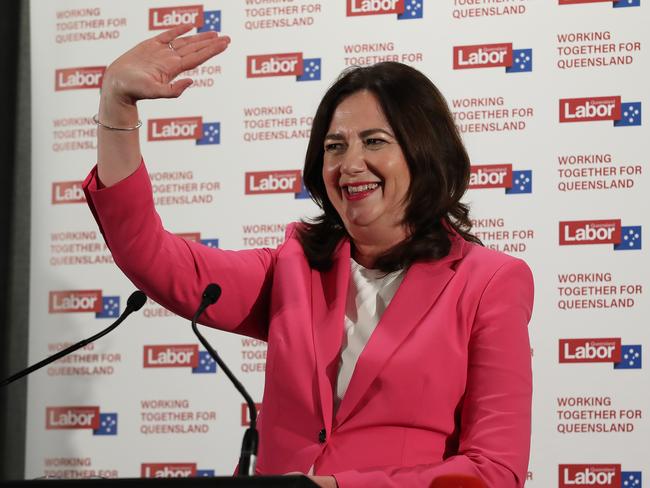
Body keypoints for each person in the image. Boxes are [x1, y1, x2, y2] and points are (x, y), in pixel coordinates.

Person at [83, 25, 534, 488]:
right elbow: (147, 253)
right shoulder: (293, 268)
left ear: (425, 153)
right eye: (334, 147)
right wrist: (117, 104)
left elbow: (494, 471)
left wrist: (338, 487)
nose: (350, 164)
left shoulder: (490, 282)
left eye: (374, 141)